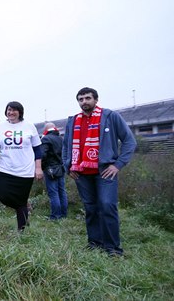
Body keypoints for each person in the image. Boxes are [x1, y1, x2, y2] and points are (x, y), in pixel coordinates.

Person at [62, 87, 136, 256]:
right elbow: (66, 146)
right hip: (81, 173)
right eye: (80, 99)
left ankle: (113, 249)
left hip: (105, 171)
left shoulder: (110, 116)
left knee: (107, 206)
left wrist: (117, 165)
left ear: (96, 99)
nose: (84, 102)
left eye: (87, 98)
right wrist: (68, 166)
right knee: (90, 208)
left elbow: (129, 141)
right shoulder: (73, 121)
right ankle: (95, 243)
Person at [0, 101, 43, 231]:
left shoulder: (29, 126)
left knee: (20, 202)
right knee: (3, 196)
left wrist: (38, 168)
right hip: (6, 168)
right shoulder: (0, 127)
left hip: (25, 170)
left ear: (20, 112)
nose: (11, 112)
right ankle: (25, 207)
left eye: (14, 110)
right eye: (9, 110)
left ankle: (21, 231)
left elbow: (37, 149)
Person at [41, 122, 68, 220]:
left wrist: (42, 166)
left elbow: (42, 155)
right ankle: (64, 214)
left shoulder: (46, 139)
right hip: (61, 167)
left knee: (53, 192)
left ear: (46, 130)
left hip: (50, 169)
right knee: (62, 191)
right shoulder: (61, 138)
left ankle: (55, 216)